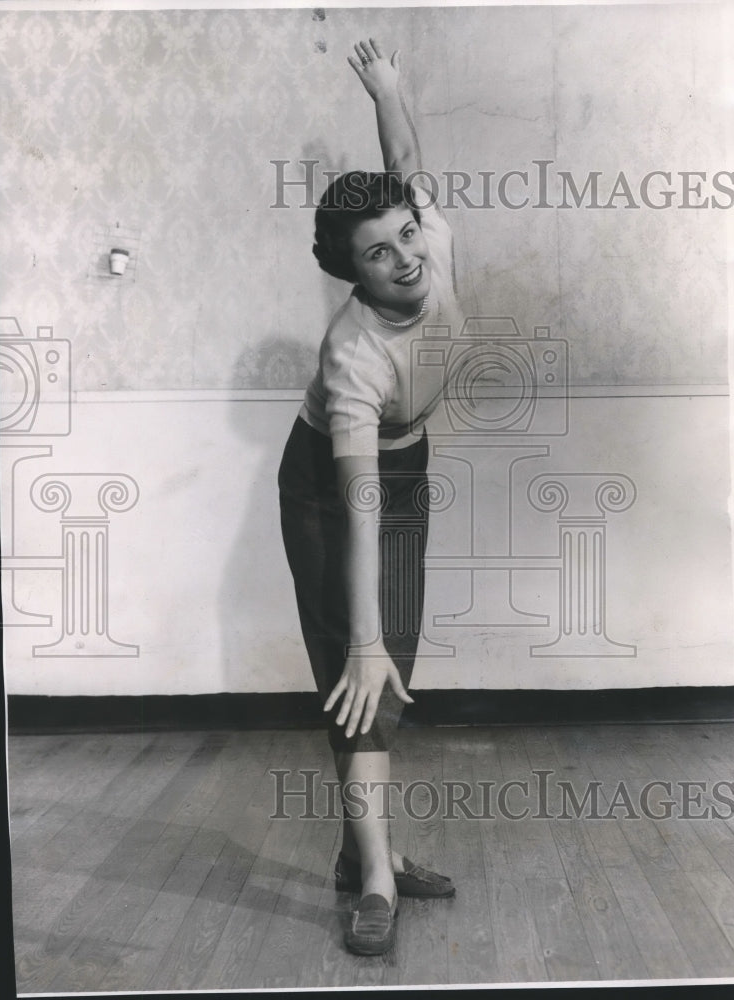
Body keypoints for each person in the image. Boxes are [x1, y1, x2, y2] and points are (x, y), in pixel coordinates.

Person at [278, 37, 461, 956]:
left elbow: (405, 165)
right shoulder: (352, 356)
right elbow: (358, 503)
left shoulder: (432, 234)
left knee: (399, 664)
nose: (405, 258)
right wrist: (360, 637)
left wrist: (388, 90)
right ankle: (376, 881)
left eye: (406, 235)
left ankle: (363, 855)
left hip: (408, 465)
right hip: (331, 489)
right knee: (362, 677)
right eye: (377, 255)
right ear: (351, 275)